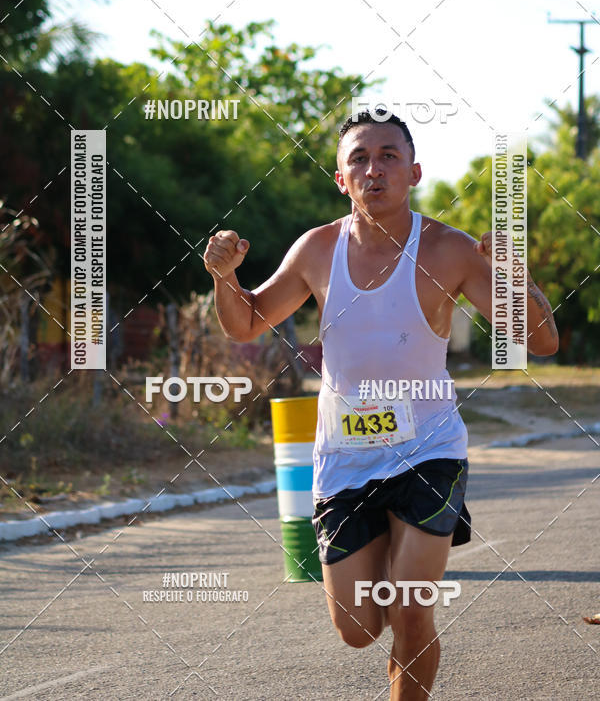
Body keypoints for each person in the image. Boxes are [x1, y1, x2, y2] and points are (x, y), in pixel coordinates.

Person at [203, 110, 559, 700]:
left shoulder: (450, 250)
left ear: (414, 171)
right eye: (360, 159)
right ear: (341, 179)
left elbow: (542, 340)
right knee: (358, 628)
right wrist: (223, 276)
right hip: (344, 459)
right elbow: (245, 324)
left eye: (389, 157)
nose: (375, 170)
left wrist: (517, 274)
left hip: (429, 453)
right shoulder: (317, 249)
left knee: (411, 608)